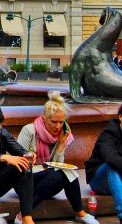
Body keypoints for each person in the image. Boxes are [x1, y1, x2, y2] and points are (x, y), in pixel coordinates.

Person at [15, 91, 98, 224]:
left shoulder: (61, 135)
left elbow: (58, 166)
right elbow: (17, 162)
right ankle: (23, 214)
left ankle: (79, 213)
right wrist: (33, 161)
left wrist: (60, 145)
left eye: (61, 122)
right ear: (44, 118)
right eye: (54, 122)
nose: (58, 126)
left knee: (66, 173)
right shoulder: (29, 130)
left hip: (48, 181)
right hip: (25, 181)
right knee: (60, 174)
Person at [85, 103, 122, 224]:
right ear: (120, 117)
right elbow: (111, 158)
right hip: (98, 180)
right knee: (112, 167)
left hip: (119, 179)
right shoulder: (108, 134)